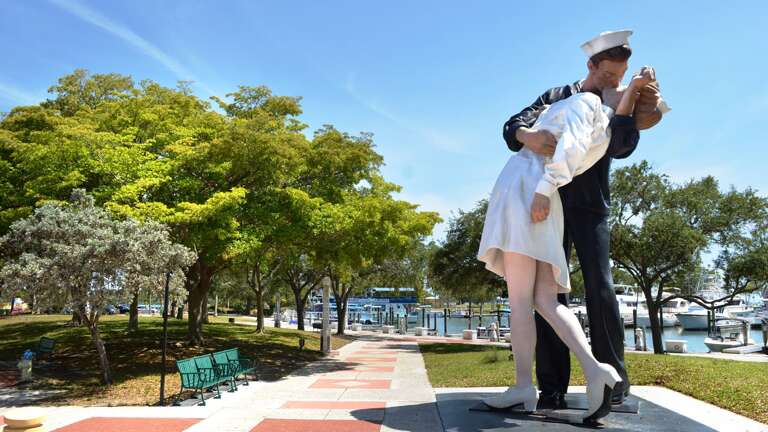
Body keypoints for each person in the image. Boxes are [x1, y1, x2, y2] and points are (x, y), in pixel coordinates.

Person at [501, 30, 667, 410]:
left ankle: (615, 384)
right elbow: (512, 126)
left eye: (620, 75)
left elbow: (622, 147)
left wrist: (631, 101)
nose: (614, 81)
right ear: (591, 65)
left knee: (601, 286)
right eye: (608, 74)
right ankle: (552, 386)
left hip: (591, 206)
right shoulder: (557, 96)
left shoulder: (620, 100)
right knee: (549, 293)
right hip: (548, 206)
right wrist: (528, 135)